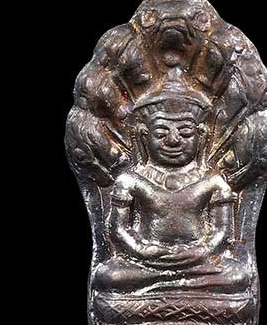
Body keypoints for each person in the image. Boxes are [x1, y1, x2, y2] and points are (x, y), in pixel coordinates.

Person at [94, 73, 248, 293]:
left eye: (185, 132)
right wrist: (142, 251)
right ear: (144, 135)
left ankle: (162, 287)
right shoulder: (130, 180)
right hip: (146, 261)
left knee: (237, 276)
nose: (174, 140)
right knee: (109, 276)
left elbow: (222, 234)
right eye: (160, 133)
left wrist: (200, 252)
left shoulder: (213, 181)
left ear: (201, 135)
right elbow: (118, 230)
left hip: (199, 261)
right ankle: (178, 286)